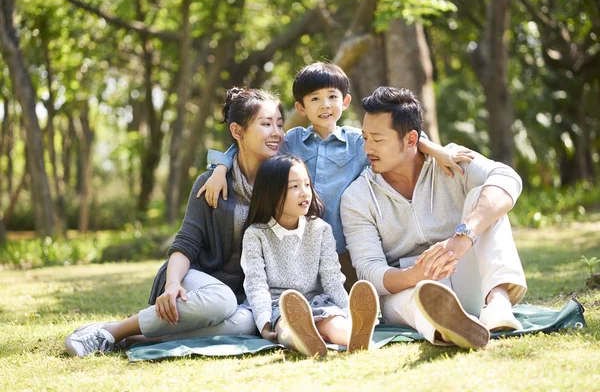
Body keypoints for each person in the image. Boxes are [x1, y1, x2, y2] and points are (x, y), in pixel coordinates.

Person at [200, 62, 472, 292]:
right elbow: (248, 146)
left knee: (353, 297)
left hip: (346, 248)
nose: (325, 105)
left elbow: (407, 140)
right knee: (304, 294)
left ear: (345, 101)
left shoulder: (359, 142)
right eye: (315, 99)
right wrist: (221, 167)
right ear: (302, 107)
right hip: (302, 245)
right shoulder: (292, 141)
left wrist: (435, 150)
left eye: (332, 96)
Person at [64, 87, 286, 357]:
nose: (276, 132)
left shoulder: (279, 186)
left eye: (279, 123)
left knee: (246, 323)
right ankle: (112, 330)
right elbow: (187, 242)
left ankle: (141, 338)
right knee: (221, 300)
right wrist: (172, 285)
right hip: (194, 278)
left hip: (239, 295)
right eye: (266, 124)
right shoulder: (210, 184)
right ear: (237, 131)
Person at [340, 86, 528, 350]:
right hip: (408, 289)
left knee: (484, 199)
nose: (368, 148)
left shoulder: (451, 161)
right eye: (365, 138)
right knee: (406, 300)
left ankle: (498, 307)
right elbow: (370, 270)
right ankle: (446, 328)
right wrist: (414, 275)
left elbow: (508, 179)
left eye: (378, 139)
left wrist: (464, 236)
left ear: (410, 139)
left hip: (464, 270)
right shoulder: (357, 197)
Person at [241, 154, 379, 357]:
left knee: (333, 321)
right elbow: (256, 284)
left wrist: (346, 310)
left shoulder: (321, 229)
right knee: (286, 327)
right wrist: (264, 322)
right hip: (280, 306)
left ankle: (356, 335)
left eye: (306, 184)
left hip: (318, 302)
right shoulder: (256, 234)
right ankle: (305, 339)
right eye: (294, 187)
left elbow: (332, 279)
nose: (304, 192)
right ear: (271, 192)